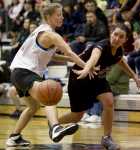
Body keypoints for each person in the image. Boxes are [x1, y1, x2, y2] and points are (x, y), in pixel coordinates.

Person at [46, 23, 140, 150]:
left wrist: (134, 76)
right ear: (110, 34)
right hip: (79, 78)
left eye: (121, 37)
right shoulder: (101, 45)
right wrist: (86, 68)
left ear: (125, 40)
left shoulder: (119, 50)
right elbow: (94, 57)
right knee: (77, 115)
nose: (117, 38)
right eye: (115, 34)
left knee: (109, 102)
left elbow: (120, 60)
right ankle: (55, 124)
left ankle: (106, 138)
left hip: (97, 78)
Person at [6, 2, 89, 147]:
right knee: (49, 93)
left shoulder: (41, 30)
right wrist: (88, 66)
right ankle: (55, 127)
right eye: (58, 15)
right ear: (48, 16)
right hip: (26, 71)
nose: (62, 17)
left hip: (18, 72)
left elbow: (53, 56)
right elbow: (69, 51)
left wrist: (70, 59)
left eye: (62, 14)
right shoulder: (51, 35)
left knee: (33, 107)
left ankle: (14, 137)